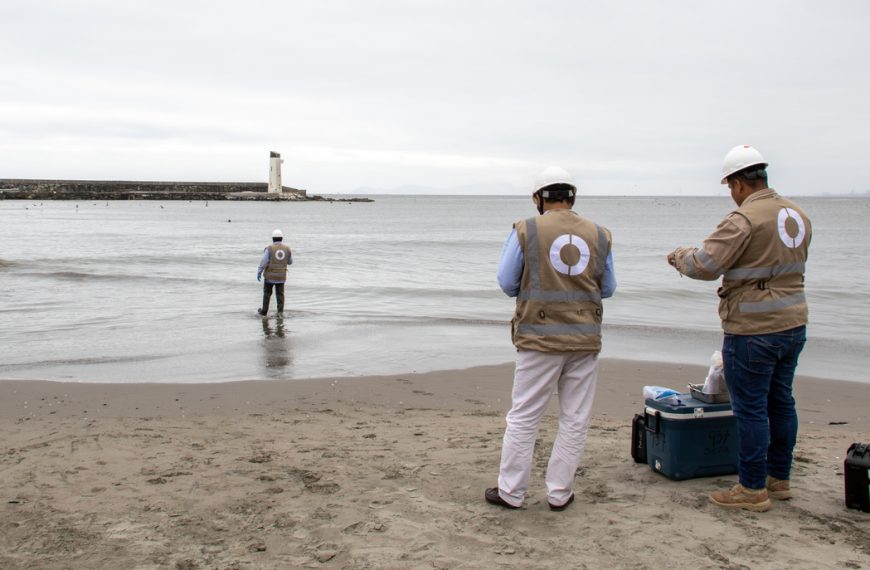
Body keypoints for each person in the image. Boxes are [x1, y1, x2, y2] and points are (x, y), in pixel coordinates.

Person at [667, 144, 812, 512]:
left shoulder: (743, 219)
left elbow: (705, 265)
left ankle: (751, 487)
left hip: (753, 328)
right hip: (793, 323)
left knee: (750, 409)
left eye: (730, 187)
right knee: (782, 402)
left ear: (738, 183)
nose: (732, 194)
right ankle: (779, 478)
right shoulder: (797, 215)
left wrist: (679, 257)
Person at [486, 166, 616, 511]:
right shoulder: (600, 234)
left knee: (524, 416)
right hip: (584, 339)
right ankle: (559, 493)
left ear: (537, 198)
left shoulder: (525, 229)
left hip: (538, 339)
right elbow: (608, 288)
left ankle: (511, 492)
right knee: (575, 419)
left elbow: (506, 283)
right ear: (572, 197)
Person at [257, 229, 292, 317]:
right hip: (281, 277)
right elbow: (290, 262)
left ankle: (264, 312)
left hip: (269, 276)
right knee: (280, 295)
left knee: (267, 293)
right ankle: (280, 313)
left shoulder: (269, 248)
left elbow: (263, 262)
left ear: (273, 238)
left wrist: (259, 272)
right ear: (282, 238)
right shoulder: (287, 249)